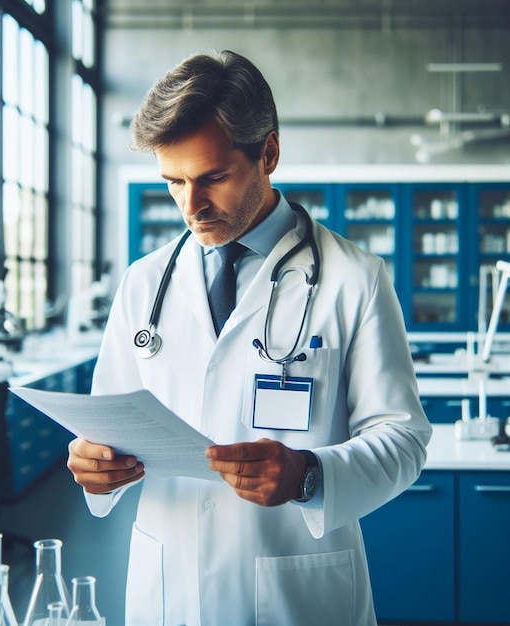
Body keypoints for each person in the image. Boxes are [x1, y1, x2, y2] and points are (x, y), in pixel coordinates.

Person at [67, 49, 432, 625]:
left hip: (297, 593)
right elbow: (105, 428)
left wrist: (309, 474)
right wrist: (95, 468)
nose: (192, 206)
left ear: (269, 152)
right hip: (170, 590)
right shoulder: (144, 284)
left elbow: (403, 439)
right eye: (174, 182)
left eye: (213, 178)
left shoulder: (354, 279)